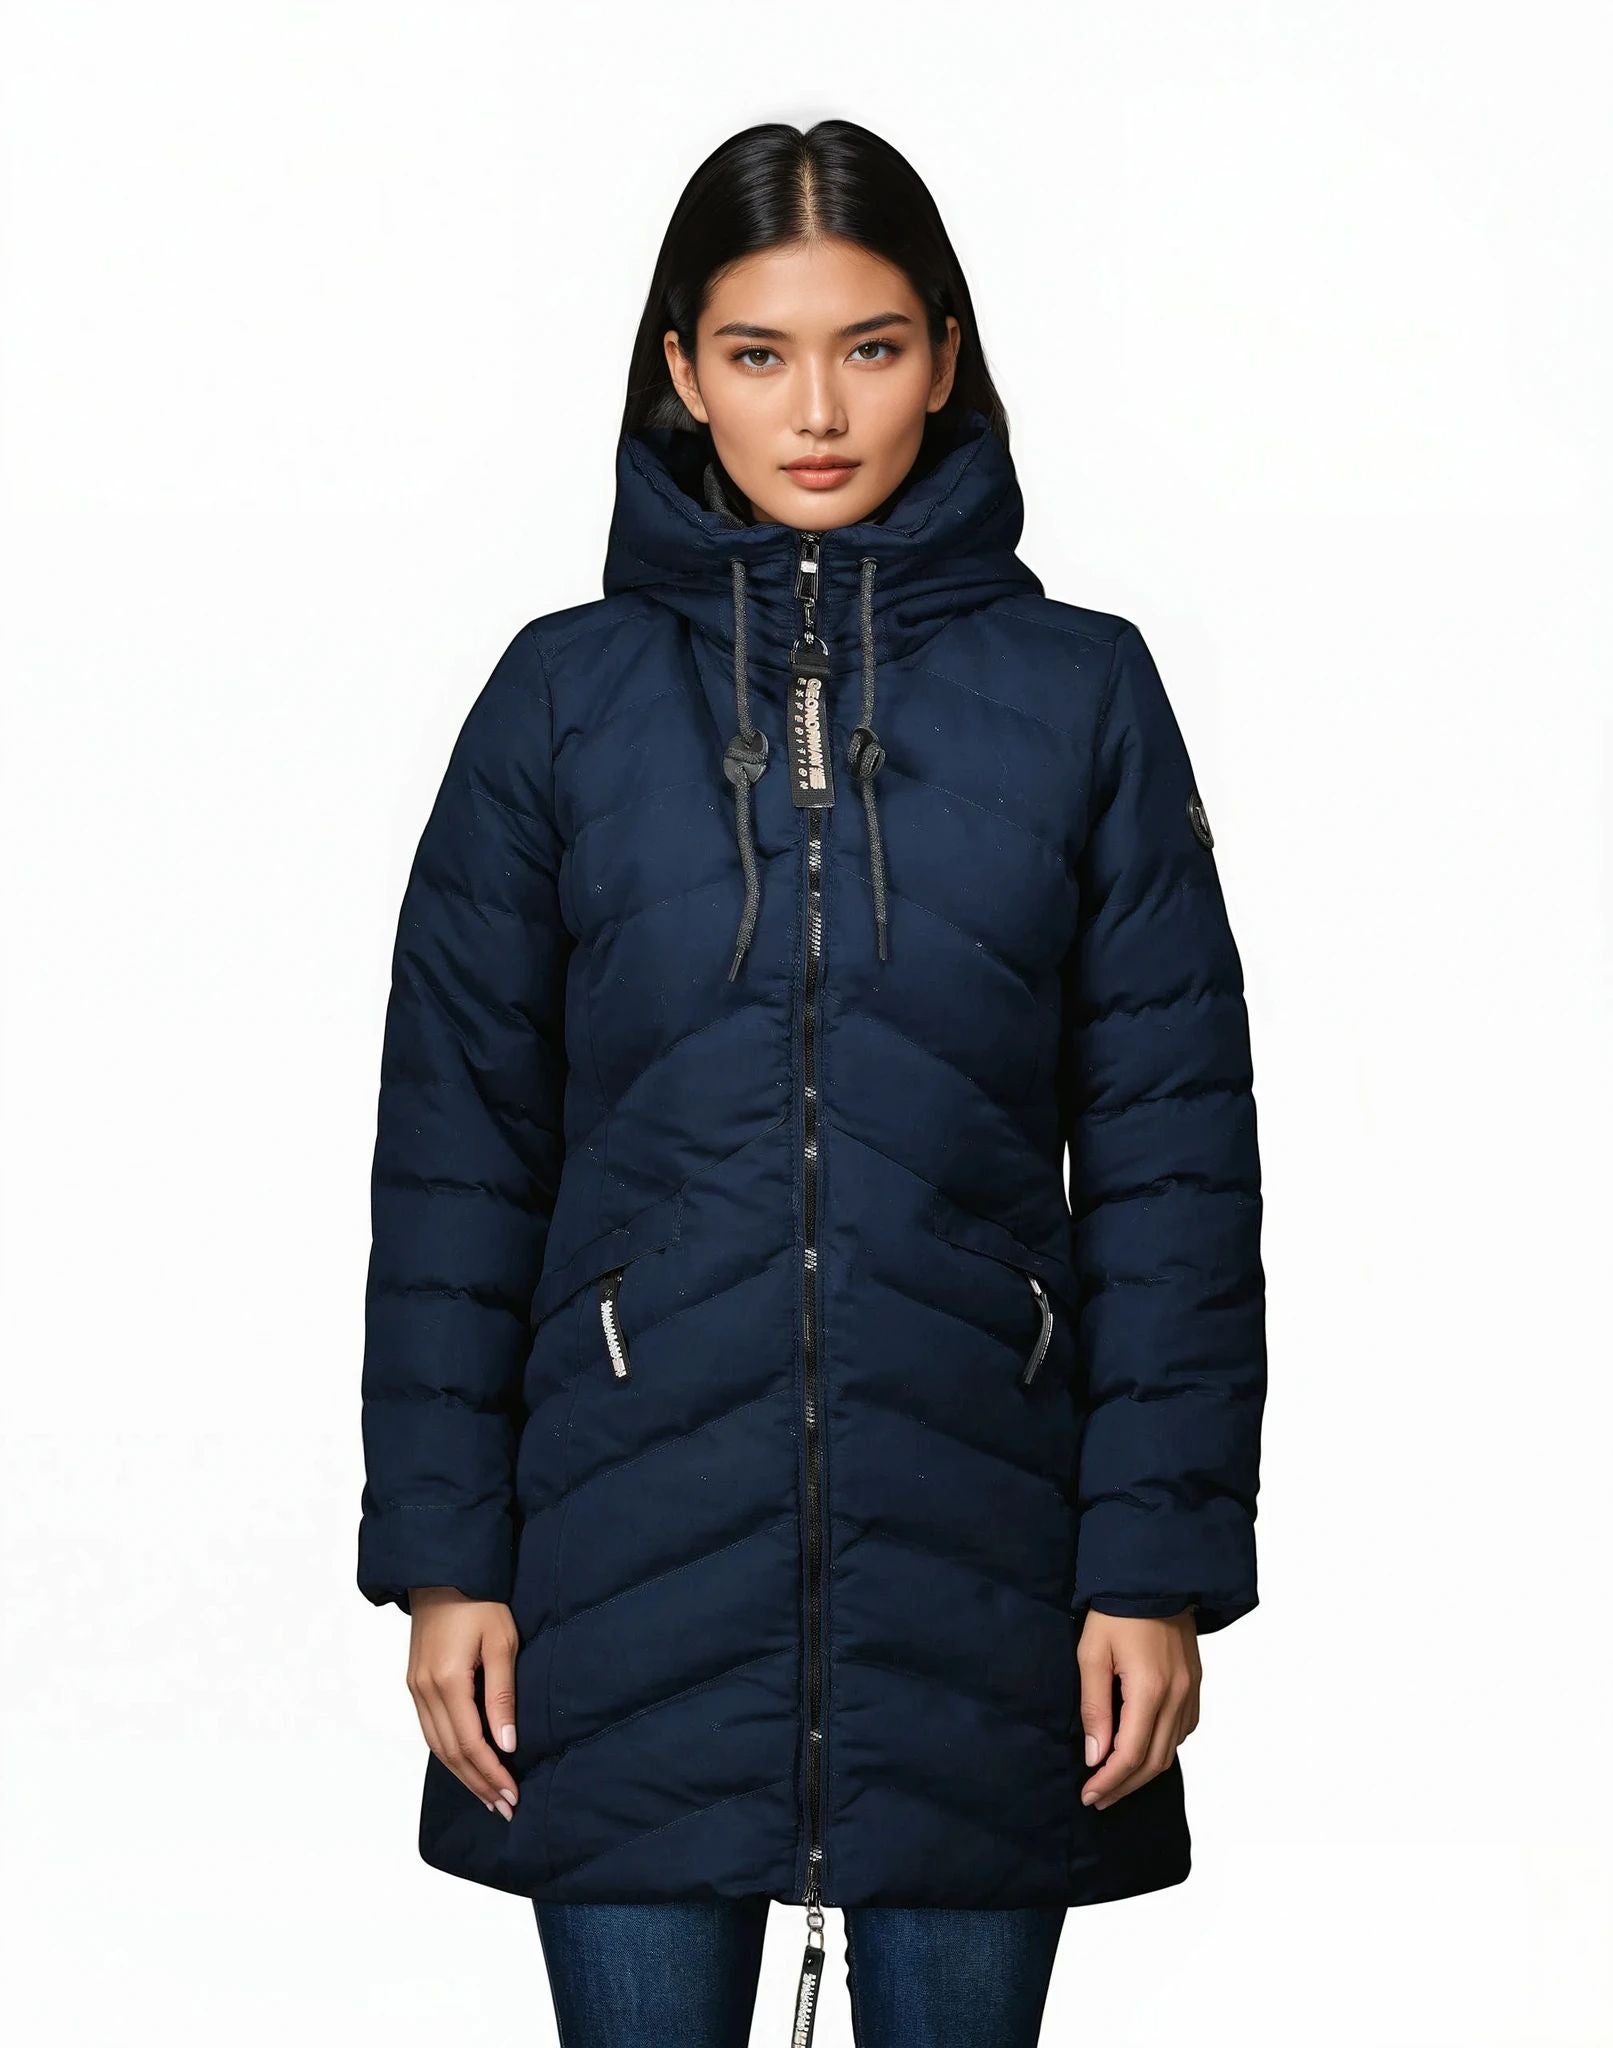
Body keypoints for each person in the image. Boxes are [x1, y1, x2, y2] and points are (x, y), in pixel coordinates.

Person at [356, 117, 1266, 2048]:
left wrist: (1156, 1566)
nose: (820, 410)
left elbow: (1176, 1164)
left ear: (944, 355)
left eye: (869, 346)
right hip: (618, 1566)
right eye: (759, 354)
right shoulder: (559, 701)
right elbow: (456, 1157)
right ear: (682, 374)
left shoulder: (1084, 695)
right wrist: (444, 1562)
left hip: (987, 1566)